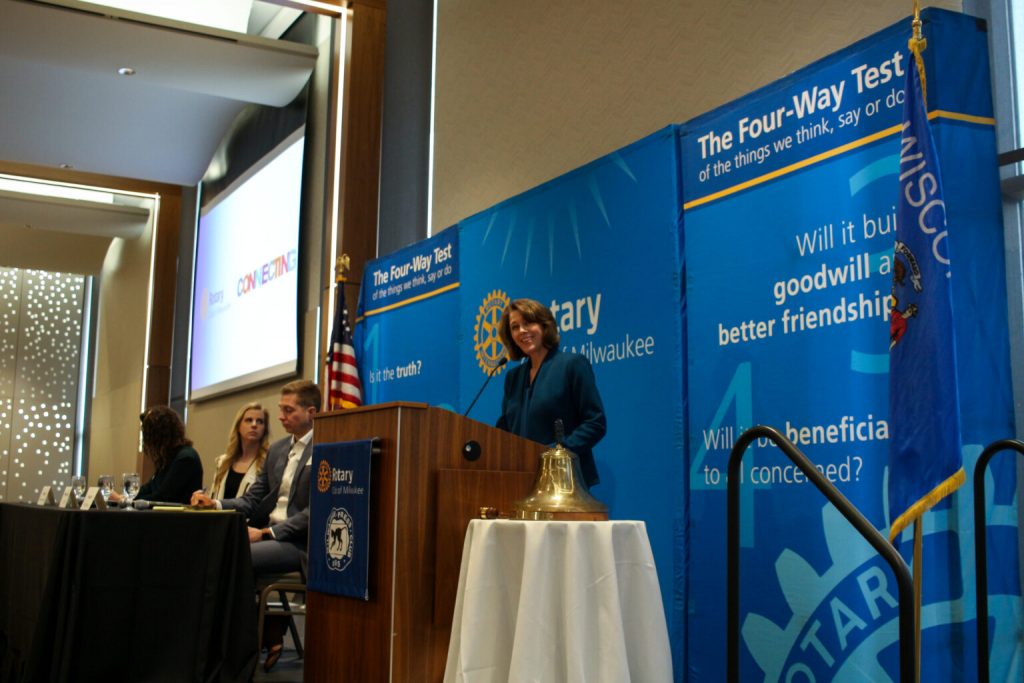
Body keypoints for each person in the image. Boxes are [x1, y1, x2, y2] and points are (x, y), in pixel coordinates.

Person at [191, 379, 320, 671]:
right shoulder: (277, 450)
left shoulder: (326, 446)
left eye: (289, 410)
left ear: (311, 412)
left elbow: (317, 512)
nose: (281, 417)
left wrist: (266, 532)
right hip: (271, 536)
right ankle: (249, 636)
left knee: (236, 555)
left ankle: (244, 644)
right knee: (221, 551)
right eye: (281, 409)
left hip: (297, 543)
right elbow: (253, 499)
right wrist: (216, 504)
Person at [496, 298, 607, 486]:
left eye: (528, 323)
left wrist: (556, 453)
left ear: (544, 325)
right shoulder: (513, 378)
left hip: (565, 481)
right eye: (515, 327)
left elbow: (595, 423)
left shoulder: (572, 365)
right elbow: (505, 429)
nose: (522, 331)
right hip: (521, 480)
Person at [111, 406, 203, 505]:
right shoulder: (170, 457)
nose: (146, 442)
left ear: (159, 436)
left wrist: (125, 501)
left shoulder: (185, 458)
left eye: (148, 436)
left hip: (180, 519)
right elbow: (149, 488)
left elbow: (161, 497)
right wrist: (124, 497)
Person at [209, 402, 270, 500]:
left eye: (259, 421)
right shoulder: (223, 462)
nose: (254, 425)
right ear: (238, 426)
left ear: (264, 429)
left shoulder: (268, 463)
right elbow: (213, 498)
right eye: (249, 420)